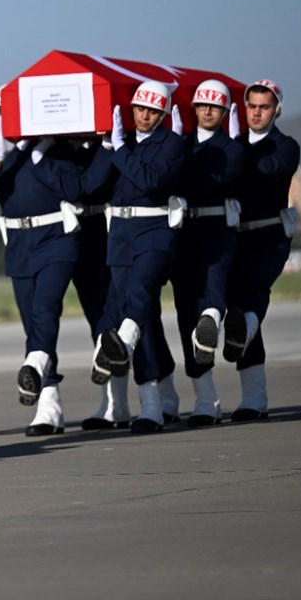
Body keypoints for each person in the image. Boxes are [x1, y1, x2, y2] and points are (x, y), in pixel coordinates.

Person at [0, 101, 83, 436]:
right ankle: (50, 406)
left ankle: (35, 370)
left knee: (46, 309)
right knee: (32, 320)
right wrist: (0, 158)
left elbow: (74, 188)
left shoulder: (61, 150)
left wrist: (42, 155)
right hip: (19, 244)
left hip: (57, 239)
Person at [83, 81, 187, 433]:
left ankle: (123, 348)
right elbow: (92, 186)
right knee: (143, 315)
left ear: (162, 113)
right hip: (121, 237)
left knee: (139, 298)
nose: (144, 116)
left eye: (153, 111)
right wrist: (107, 147)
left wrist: (120, 151)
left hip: (155, 233)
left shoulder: (171, 143)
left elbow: (151, 181)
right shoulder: (120, 142)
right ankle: (156, 405)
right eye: (140, 109)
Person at [223, 79, 300, 422]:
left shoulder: (286, 145)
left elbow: (271, 170)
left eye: (264, 106)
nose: (256, 112)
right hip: (237, 237)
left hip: (271, 234)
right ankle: (254, 399)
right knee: (239, 308)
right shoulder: (234, 143)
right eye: (251, 106)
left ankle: (255, 396)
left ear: (276, 110)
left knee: (253, 297)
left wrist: (234, 155)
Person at [167, 80, 244, 427]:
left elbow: (218, 181)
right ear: (194, 109)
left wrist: (182, 164)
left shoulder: (233, 148)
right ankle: (206, 399)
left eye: (214, 106)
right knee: (187, 315)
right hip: (184, 235)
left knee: (213, 295)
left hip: (217, 230)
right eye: (202, 105)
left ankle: (211, 320)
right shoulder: (180, 145)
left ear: (225, 111)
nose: (207, 110)